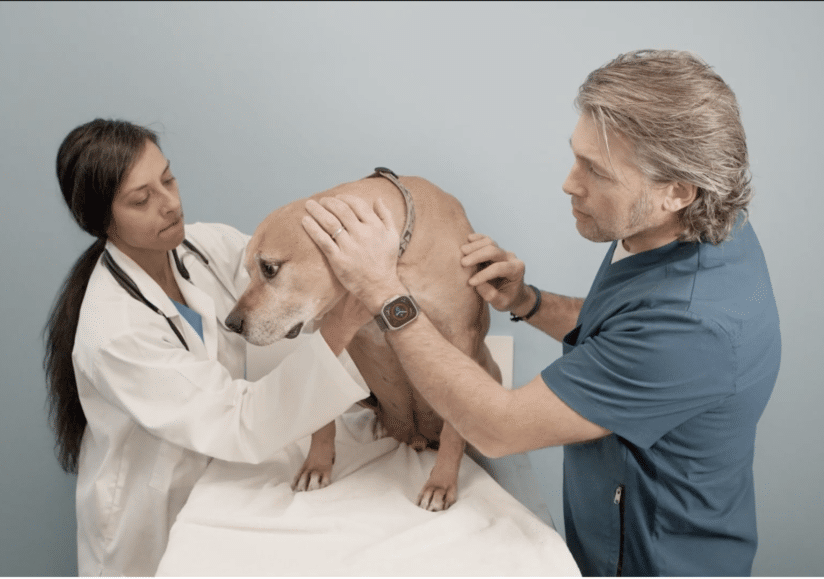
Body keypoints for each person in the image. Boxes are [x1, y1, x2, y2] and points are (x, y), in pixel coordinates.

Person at [301, 49, 781, 576]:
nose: (569, 183)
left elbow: (499, 428)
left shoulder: (693, 326)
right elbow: (619, 329)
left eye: (595, 171)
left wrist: (384, 293)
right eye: (576, 156)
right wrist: (527, 302)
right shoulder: (687, 227)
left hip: (653, 559)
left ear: (675, 192)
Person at [43, 118, 372, 576]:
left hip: (218, 485)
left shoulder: (201, 247)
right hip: (148, 518)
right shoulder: (114, 333)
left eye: (168, 179)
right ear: (102, 221)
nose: (169, 204)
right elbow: (239, 419)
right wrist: (345, 321)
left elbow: (283, 284)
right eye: (142, 199)